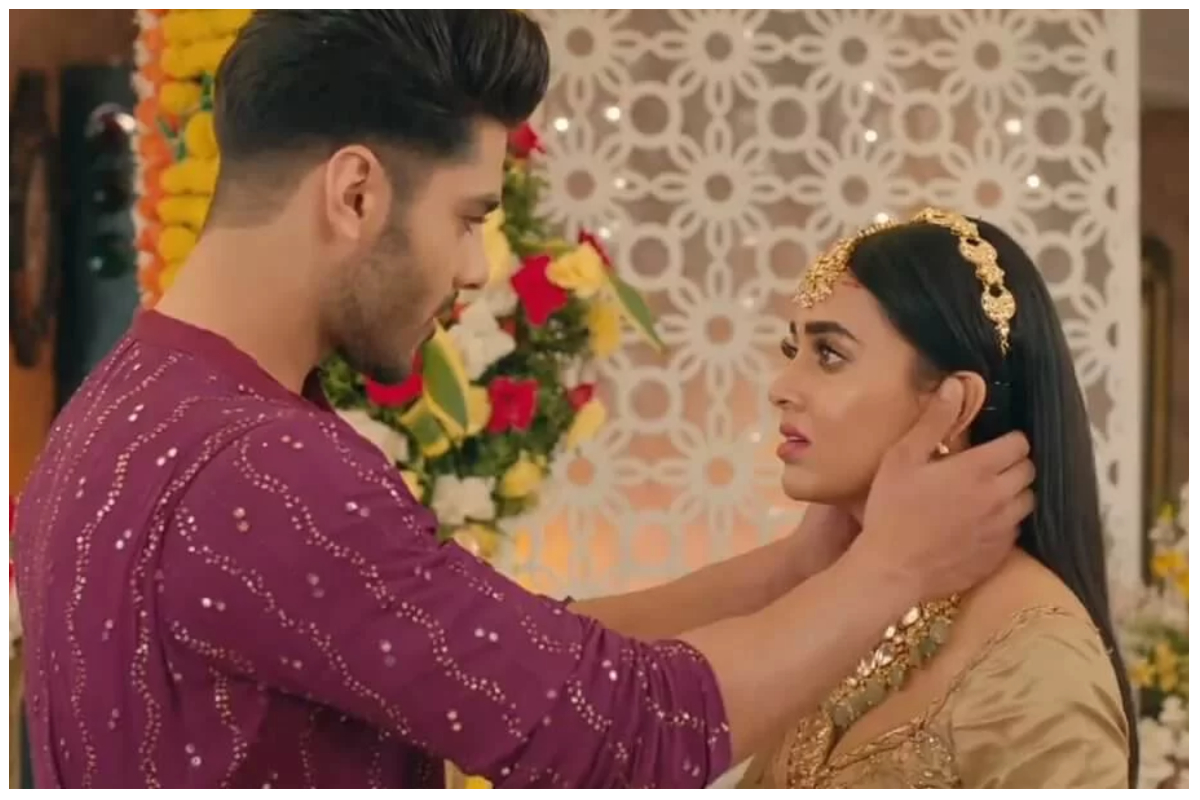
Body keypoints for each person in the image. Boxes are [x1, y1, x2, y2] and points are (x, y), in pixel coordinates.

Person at [12, 12, 1035, 789]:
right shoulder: (261, 467)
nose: (473, 268)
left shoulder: (131, 401)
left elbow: (503, 656)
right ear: (356, 193)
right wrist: (897, 569)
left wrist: (801, 567)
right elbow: (622, 732)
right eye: (467, 218)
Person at [734, 209, 1137, 789]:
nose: (781, 387)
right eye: (791, 349)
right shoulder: (854, 603)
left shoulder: (1038, 658)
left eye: (829, 354)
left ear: (955, 403)